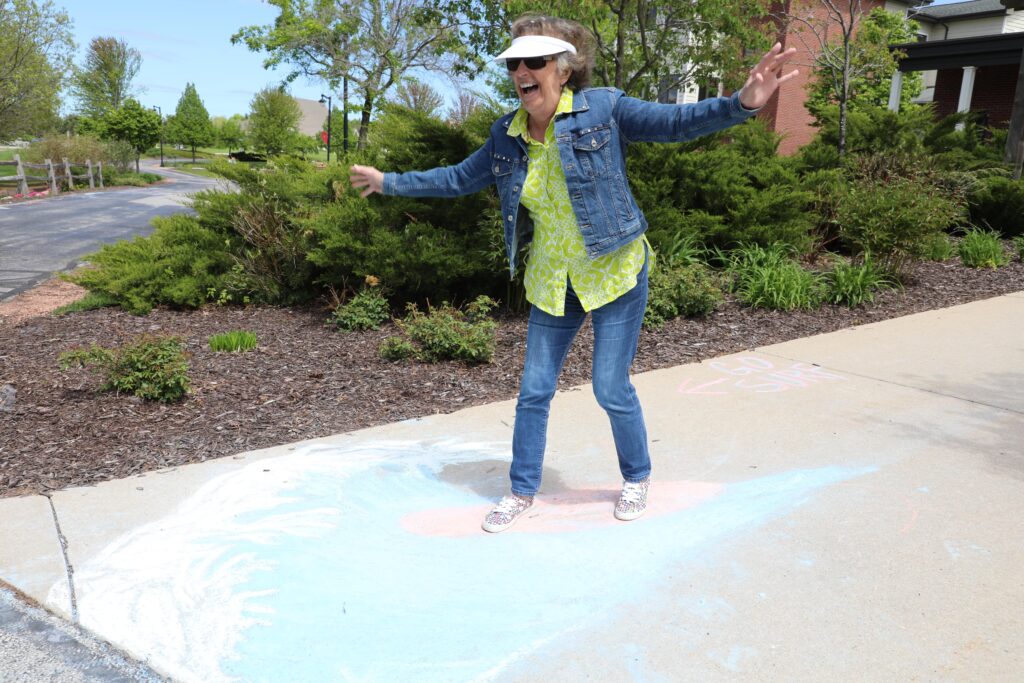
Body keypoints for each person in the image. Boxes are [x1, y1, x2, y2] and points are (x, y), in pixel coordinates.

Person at [350, 14, 798, 533]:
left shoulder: (603, 108)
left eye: (534, 61)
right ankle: (521, 490)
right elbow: (458, 178)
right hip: (552, 279)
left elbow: (674, 123)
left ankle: (636, 477)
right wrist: (390, 182)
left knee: (610, 386)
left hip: (615, 269)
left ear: (563, 70)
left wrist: (742, 103)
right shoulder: (506, 135)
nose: (522, 70)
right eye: (516, 62)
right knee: (534, 390)